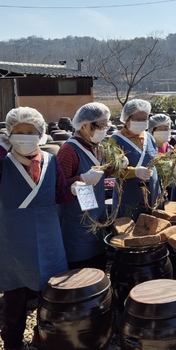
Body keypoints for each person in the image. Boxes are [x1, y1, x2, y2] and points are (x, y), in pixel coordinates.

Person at [0, 107, 75, 350]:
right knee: (15, 296)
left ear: (40, 134)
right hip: (13, 237)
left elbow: (59, 194)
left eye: (31, 132)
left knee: (48, 292)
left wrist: (75, 189)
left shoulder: (50, 161)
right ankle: (12, 344)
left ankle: (42, 331)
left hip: (49, 234)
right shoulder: (1, 165)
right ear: (9, 134)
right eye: (19, 132)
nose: (26, 136)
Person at [58, 102, 125, 270]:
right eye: (101, 126)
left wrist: (117, 166)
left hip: (96, 212)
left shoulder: (98, 147)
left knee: (98, 260)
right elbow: (58, 186)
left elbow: (101, 173)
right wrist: (81, 178)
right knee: (81, 265)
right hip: (76, 218)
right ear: (85, 125)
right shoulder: (69, 150)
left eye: (106, 126)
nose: (104, 130)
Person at [110, 99, 161, 219]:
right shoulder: (116, 139)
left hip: (152, 193)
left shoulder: (149, 137)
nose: (142, 122)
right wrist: (135, 171)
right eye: (138, 120)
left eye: (145, 119)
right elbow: (112, 169)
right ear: (127, 119)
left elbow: (154, 159)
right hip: (129, 195)